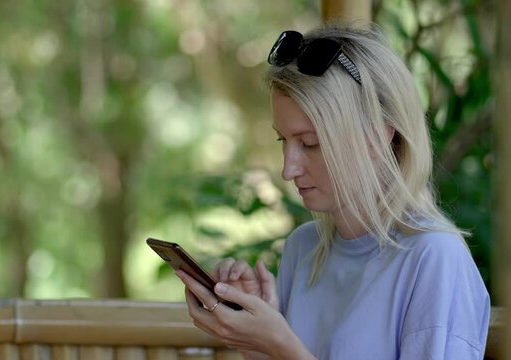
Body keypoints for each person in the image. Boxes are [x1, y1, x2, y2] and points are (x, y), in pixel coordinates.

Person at [176, 21, 490, 359]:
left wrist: (282, 345)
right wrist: (255, 337)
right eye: (284, 140)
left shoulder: (434, 258)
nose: (288, 169)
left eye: (310, 143)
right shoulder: (304, 249)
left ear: (377, 137)